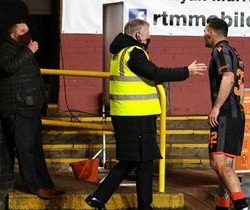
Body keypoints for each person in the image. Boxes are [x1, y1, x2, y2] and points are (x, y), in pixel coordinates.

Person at [85, 19, 207, 210]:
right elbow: (155, 73)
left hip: (131, 115)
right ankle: (101, 198)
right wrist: (186, 71)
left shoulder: (121, 52)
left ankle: (123, 202)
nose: (150, 37)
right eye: (147, 33)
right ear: (138, 35)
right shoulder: (134, 52)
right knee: (134, 160)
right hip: (135, 116)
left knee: (142, 160)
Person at [0, 20, 64, 200]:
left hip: (31, 108)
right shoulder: (6, 49)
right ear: (13, 35)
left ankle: (46, 184)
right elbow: (8, 67)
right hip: (18, 109)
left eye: (27, 29)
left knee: (36, 149)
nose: (27, 32)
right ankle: (34, 187)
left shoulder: (23, 50)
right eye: (22, 30)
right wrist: (29, 51)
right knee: (25, 149)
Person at [204, 18, 249, 210]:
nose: (203, 34)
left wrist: (216, 108)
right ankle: (222, 205)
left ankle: (242, 207)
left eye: (205, 31)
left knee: (218, 163)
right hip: (235, 114)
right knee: (225, 165)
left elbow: (229, 78)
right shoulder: (235, 53)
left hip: (224, 115)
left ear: (212, 33)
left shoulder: (220, 51)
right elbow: (242, 87)